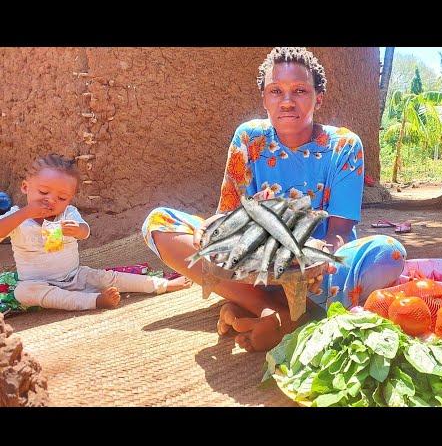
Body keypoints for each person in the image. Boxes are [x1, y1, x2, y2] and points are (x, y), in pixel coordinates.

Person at [142, 47, 406, 352]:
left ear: (318, 97)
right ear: (264, 98)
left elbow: (339, 233)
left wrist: (313, 257)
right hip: (255, 268)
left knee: (389, 253)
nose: (287, 101)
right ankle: (272, 309)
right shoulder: (249, 138)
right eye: (276, 91)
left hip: (316, 274)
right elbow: (230, 215)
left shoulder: (344, 146)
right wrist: (212, 229)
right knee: (159, 222)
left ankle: (262, 307)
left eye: (300, 91)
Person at [0, 154, 192, 311]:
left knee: (108, 278)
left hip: (74, 276)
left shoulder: (68, 213)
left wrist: (77, 230)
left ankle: (161, 285)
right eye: (43, 193)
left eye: (62, 197)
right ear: (25, 187)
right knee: (23, 293)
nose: (51, 201)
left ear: (70, 199)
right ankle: (95, 301)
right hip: (36, 283)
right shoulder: (16, 217)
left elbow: (85, 232)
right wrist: (25, 213)